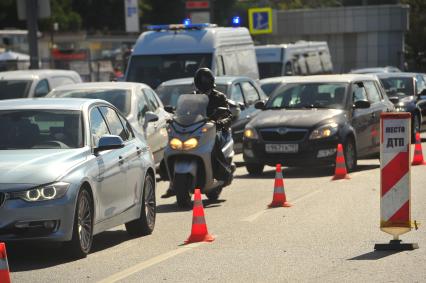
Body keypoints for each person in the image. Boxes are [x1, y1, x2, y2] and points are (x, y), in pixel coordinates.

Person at [161, 68, 234, 198]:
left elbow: (228, 115)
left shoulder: (219, 97)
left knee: (214, 142)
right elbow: (182, 112)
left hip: (214, 129)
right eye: (201, 80)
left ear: (211, 82)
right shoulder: (192, 96)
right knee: (170, 146)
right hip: (196, 129)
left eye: (205, 80)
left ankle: (223, 172)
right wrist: (174, 116)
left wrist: (221, 122)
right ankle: (170, 180)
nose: (203, 83)